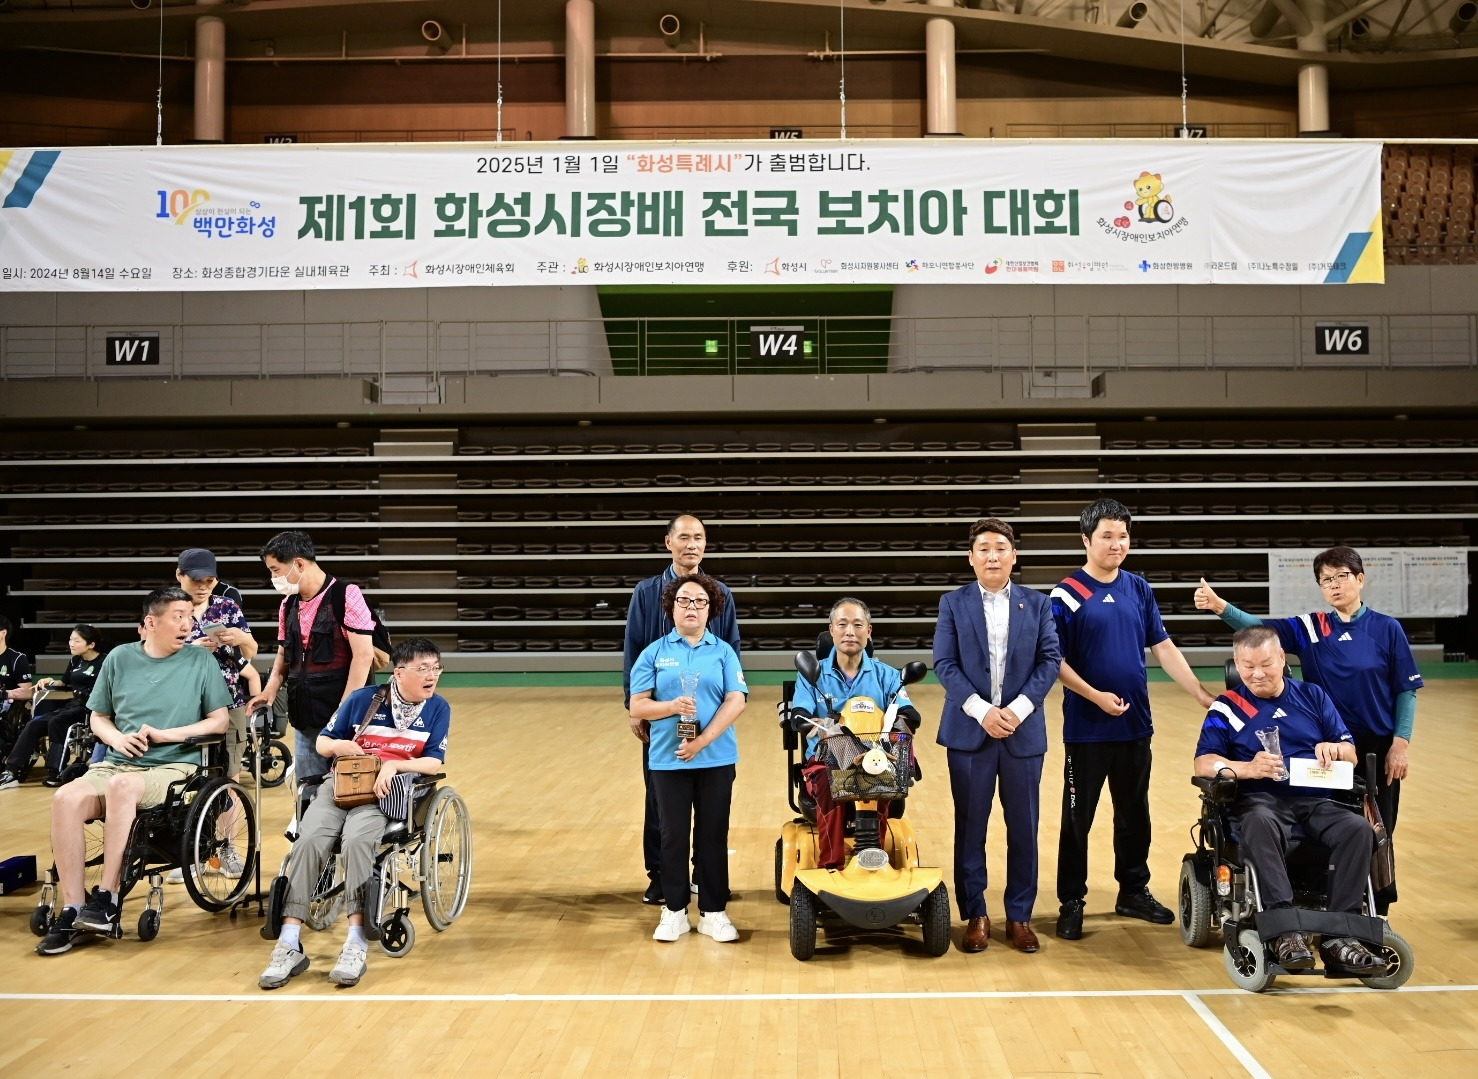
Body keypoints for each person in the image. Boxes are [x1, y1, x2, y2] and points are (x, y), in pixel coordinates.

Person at [1196, 545, 1421, 912]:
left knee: (1377, 829)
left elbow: (1406, 689)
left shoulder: (1386, 628)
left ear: (1360, 579)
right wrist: (1222, 607)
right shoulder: (1311, 627)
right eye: (1326, 580)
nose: (1334, 585)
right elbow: (1261, 633)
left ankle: (1373, 912)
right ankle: (1308, 900)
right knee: (1318, 820)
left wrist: (1401, 742)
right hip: (1317, 744)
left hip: (1371, 745)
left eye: (1341, 577)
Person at [1051, 497, 1215, 941]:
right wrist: (1095, 697)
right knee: (1077, 818)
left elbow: (1163, 647)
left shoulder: (1138, 588)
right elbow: (1055, 661)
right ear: (1086, 540)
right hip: (1086, 729)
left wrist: (1199, 692)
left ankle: (1133, 891)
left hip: (1134, 726)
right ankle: (1071, 900)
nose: (1117, 544)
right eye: (1107, 536)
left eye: (1123, 536)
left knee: (1134, 814)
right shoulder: (1066, 593)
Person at [37, 587, 231, 956]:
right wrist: (117, 738)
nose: (187, 624)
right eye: (178, 616)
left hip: (174, 765)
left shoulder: (200, 661)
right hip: (118, 761)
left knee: (122, 787)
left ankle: (108, 899)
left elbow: (219, 722)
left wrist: (165, 734)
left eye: (189, 616)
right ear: (150, 623)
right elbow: (99, 716)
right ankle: (74, 908)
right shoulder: (120, 658)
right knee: (65, 798)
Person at [258, 638, 451, 990]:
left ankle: (356, 940)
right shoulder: (364, 699)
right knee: (308, 841)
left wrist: (393, 766)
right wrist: (340, 745)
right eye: (423, 668)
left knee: (357, 842)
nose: (432, 675)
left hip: (384, 794)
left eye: (436, 668)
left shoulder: (438, 708)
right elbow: (323, 742)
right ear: (399, 672)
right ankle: (288, 941)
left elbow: (434, 762)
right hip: (341, 784)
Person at [1193, 625, 1382, 973]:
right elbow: (1204, 763)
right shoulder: (1227, 706)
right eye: (1248, 666)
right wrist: (1247, 768)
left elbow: (1351, 754)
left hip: (1315, 801)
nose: (1257, 673)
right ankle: (1284, 931)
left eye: (1266, 664)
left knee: (1358, 829)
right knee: (1259, 821)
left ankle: (1341, 935)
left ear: (1282, 658)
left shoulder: (1312, 696)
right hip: (1259, 801)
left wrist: (1335, 749)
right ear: (1236, 664)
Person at [934, 518, 1062, 954]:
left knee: (1024, 827)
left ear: (1014, 556)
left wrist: (1017, 710)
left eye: (1000, 548)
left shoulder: (1038, 604)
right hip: (970, 733)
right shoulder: (953, 603)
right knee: (971, 828)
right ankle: (976, 914)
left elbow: (1050, 661)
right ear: (971, 558)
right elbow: (945, 664)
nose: (992, 555)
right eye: (984, 548)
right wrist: (983, 711)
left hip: (1023, 734)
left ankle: (1020, 915)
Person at [622, 513, 741, 905]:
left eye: (699, 538)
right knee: (660, 800)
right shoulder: (645, 592)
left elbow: (731, 649)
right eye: (685, 537)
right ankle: (660, 876)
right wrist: (636, 708)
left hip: (707, 714)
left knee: (711, 802)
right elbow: (633, 650)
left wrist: (723, 709)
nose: (692, 544)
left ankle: (705, 876)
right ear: (668, 542)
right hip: (661, 714)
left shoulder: (719, 592)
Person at [790, 597, 922, 870]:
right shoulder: (813, 675)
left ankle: (874, 859)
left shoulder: (888, 675)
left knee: (884, 781)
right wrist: (811, 723)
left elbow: (909, 713)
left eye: (858, 625)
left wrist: (900, 722)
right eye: (842, 624)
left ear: (868, 631)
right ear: (832, 630)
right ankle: (831, 864)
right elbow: (799, 715)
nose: (850, 631)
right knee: (830, 782)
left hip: (877, 759)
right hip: (826, 761)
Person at [246, 531, 375, 786]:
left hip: (345, 718)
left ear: (299, 564)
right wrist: (270, 690)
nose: (273, 578)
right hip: (305, 717)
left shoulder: (346, 594)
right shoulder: (287, 604)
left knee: (349, 790)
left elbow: (364, 656)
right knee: (307, 790)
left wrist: (345, 708)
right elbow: (284, 654)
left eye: (275, 570)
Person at [164, 547, 256, 883]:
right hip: (183, 704)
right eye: (196, 580)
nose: (203, 586)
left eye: (210, 580)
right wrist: (190, 648)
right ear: (179, 575)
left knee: (228, 778)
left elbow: (251, 650)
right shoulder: (168, 609)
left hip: (228, 702)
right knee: (184, 780)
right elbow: (153, 652)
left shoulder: (227, 607)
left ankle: (226, 848)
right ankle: (191, 853)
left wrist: (239, 637)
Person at [1, 624, 105, 790]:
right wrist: (49, 681)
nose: (71, 644)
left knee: (57, 722)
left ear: (91, 644)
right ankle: (11, 771)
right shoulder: (75, 660)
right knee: (34, 724)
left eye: (76, 641)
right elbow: (63, 683)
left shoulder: (105, 662)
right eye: (70, 639)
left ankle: (56, 770)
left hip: (92, 708)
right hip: (73, 705)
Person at [0, 613, 35, 722]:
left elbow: (27, 692)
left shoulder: (17, 658)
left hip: (7, 708)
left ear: (3, 633)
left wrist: (4, 694)